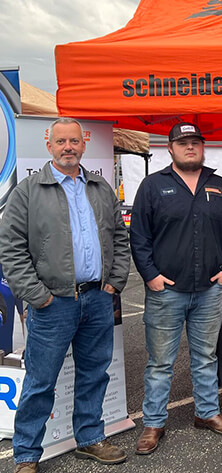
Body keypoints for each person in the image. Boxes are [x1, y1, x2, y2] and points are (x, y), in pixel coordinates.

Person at [0, 118, 131, 472]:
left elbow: (120, 238)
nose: (68, 147)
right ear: (50, 146)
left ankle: (89, 439)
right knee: (40, 381)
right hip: (52, 303)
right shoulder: (27, 190)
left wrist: (114, 282)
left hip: (97, 299)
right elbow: (10, 249)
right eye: (61, 142)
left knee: (94, 374)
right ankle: (27, 455)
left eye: (74, 141)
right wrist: (36, 295)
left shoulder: (100, 187)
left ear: (83, 145)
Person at [130, 122, 222, 456]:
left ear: (203, 147)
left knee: (205, 357)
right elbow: (139, 236)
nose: (190, 147)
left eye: (195, 142)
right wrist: (150, 275)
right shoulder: (153, 187)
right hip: (166, 291)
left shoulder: (220, 186)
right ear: (170, 148)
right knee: (160, 362)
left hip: (209, 291)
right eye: (183, 143)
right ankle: (153, 423)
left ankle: (206, 413)